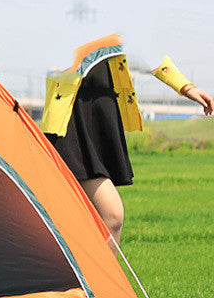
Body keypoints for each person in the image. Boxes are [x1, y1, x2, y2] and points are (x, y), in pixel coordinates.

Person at [42, 34, 213, 245]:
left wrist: (187, 88)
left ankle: (89, 278)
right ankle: (99, 279)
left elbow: (148, 51)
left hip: (102, 124)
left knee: (86, 221)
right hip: (71, 123)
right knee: (111, 215)